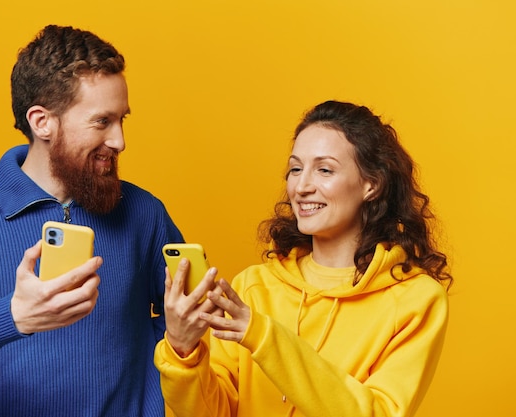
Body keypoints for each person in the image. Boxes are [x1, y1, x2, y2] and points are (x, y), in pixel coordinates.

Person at [0, 24, 183, 417]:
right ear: (42, 122)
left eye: (121, 120)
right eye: (102, 122)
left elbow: (187, 320)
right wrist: (13, 317)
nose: (119, 141)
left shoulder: (144, 213)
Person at [154, 100, 452, 417]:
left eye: (324, 170)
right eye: (296, 169)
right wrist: (183, 350)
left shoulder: (415, 301)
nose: (302, 187)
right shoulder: (253, 288)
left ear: (371, 184)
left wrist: (263, 337)